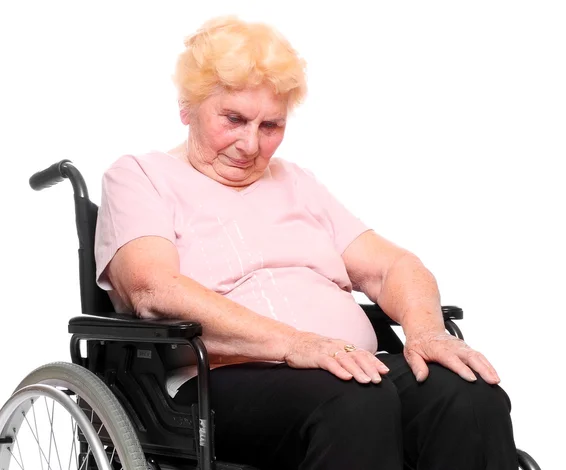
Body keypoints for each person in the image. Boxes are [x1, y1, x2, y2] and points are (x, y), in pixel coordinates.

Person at [95, 16, 518, 470]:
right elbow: (153, 288)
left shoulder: (297, 182)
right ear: (188, 107)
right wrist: (295, 344)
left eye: (271, 125)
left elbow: (392, 267)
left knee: (468, 395)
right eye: (233, 119)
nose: (250, 144)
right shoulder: (140, 176)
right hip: (220, 381)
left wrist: (426, 332)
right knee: (356, 404)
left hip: (348, 367)